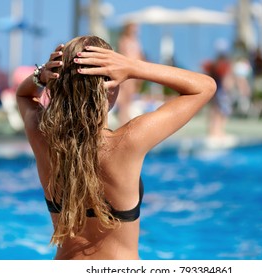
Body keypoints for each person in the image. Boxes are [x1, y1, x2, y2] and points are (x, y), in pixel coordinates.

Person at [16, 35, 216, 260]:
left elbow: (23, 94)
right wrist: (133, 66)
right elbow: (205, 87)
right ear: (111, 88)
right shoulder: (129, 141)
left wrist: (40, 75)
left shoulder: (41, 135)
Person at [116, 21, 145, 125]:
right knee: (124, 100)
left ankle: (125, 121)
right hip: (127, 70)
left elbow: (139, 55)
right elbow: (124, 55)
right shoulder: (124, 40)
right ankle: (123, 121)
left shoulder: (135, 40)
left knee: (129, 99)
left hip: (134, 71)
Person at [202, 52, 234, 138]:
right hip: (222, 93)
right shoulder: (224, 67)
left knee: (215, 111)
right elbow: (226, 83)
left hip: (215, 92)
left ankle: (213, 131)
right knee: (222, 113)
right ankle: (218, 131)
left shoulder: (215, 67)